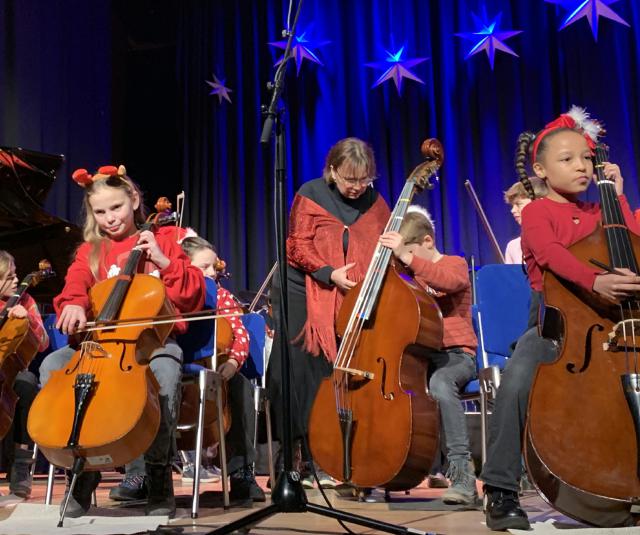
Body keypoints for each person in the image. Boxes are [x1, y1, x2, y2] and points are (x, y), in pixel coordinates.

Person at [480, 107, 640, 530]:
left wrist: (618, 196)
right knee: (516, 382)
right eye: (567, 159)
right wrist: (595, 281)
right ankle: (500, 488)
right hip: (556, 325)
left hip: (614, 324)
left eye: (586, 158)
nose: (582, 166)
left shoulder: (600, 211)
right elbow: (550, 255)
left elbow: (632, 244)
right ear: (541, 170)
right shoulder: (537, 212)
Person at [36, 164, 205, 518]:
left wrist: (162, 260)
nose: (110, 218)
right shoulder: (91, 250)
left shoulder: (166, 239)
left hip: (152, 342)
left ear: (134, 200)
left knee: (164, 373)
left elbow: (193, 296)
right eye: (100, 212)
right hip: (99, 345)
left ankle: (158, 475)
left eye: (116, 207)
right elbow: (74, 286)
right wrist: (74, 305)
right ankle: (81, 471)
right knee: (52, 365)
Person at [268, 137, 390, 488]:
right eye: (350, 179)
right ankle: (298, 453)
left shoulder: (376, 203)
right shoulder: (311, 193)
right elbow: (296, 245)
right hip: (303, 287)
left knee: (340, 371)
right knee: (303, 369)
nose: (356, 187)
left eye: (364, 179)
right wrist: (328, 273)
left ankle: (335, 452)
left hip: (350, 293)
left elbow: (382, 247)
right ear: (333, 170)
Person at [379, 206, 478, 505]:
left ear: (427, 241)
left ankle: (463, 474)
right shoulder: (409, 275)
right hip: (421, 356)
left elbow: (449, 282)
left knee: (440, 384)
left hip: (457, 356)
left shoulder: (454, 264)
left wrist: (407, 257)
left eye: (409, 252)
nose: (406, 260)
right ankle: (392, 466)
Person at [179, 236, 265, 501]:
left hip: (216, 369)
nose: (210, 273)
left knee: (240, 385)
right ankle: (144, 475)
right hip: (179, 367)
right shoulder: (172, 294)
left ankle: (241, 473)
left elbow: (240, 335)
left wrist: (233, 362)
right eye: (203, 267)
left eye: (212, 267)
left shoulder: (222, 296)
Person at [0, 251, 49, 506]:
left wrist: (28, 320)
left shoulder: (25, 299)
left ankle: (21, 465)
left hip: (13, 372)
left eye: (16, 273)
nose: (17, 279)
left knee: (27, 383)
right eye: (9, 277)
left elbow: (43, 343)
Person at [503, 177, 548, 264]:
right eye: (512, 205)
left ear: (539, 202)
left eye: (518, 204)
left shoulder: (562, 237)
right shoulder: (513, 246)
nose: (512, 210)